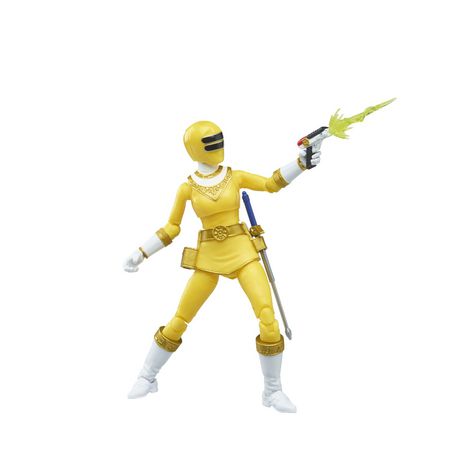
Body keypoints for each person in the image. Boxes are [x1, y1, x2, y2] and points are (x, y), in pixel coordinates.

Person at [123, 121, 321, 413]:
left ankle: (273, 390)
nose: (217, 146)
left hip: (242, 252)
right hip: (209, 257)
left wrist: (301, 164)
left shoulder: (235, 176)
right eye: (210, 142)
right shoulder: (187, 188)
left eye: (219, 140)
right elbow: (172, 227)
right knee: (180, 318)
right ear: (194, 149)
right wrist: (142, 252)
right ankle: (147, 376)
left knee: (268, 317)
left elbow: (270, 184)